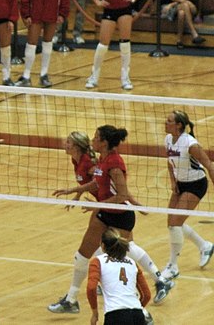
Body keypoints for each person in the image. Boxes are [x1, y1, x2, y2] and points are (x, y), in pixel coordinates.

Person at [49, 125, 174, 314]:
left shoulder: (115, 164)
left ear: (104, 142)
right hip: (104, 213)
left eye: (96, 137)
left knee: (125, 253)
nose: (93, 140)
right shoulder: (103, 159)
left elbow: (121, 195)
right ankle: (71, 299)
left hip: (120, 215)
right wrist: (75, 191)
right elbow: (98, 182)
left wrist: (98, 205)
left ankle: (156, 288)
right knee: (82, 255)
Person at [160, 110, 214, 280]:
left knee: (176, 223)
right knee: (172, 222)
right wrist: (173, 181)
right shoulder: (168, 139)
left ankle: (173, 266)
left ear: (179, 125)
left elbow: (209, 165)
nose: (165, 122)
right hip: (180, 183)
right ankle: (204, 245)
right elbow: (170, 163)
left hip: (196, 184)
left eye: (169, 121)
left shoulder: (190, 144)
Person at [85, 0, 146, 90]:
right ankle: (94, 76)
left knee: (125, 43)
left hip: (124, 10)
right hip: (109, 10)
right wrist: (98, 2)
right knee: (102, 45)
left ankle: (125, 78)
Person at [18, 0, 69, 88]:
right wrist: (26, 15)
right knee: (31, 43)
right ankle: (26, 76)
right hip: (36, 16)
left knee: (47, 43)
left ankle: (44, 75)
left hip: (52, 15)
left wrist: (62, 14)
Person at [87, 229, 152, 325]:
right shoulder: (132, 263)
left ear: (103, 246)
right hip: (138, 315)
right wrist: (136, 308)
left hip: (115, 315)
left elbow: (91, 288)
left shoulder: (97, 261)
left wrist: (95, 313)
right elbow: (146, 295)